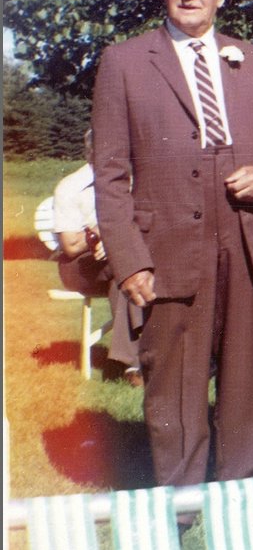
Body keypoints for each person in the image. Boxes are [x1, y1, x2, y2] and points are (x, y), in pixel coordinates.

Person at [91, 0, 253, 490]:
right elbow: (108, 175)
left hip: (245, 237)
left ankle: (244, 494)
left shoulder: (251, 58)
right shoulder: (125, 61)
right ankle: (181, 503)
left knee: (247, 385)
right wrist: (129, 261)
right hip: (167, 250)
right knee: (174, 385)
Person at [52, 129, 141, 385]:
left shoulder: (130, 183)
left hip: (118, 265)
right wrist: (103, 237)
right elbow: (70, 245)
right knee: (125, 263)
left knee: (122, 276)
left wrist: (113, 240)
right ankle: (137, 358)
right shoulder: (70, 187)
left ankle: (130, 364)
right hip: (77, 267)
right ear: (91, 151)